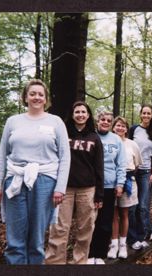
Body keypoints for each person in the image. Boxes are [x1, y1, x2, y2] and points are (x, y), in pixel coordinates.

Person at [0, 79, 71, 264]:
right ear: (25, 97)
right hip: (15, 180)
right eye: (32, 94)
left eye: (40, 94)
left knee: (36, 239)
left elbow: (65, 158)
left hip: (45, 181)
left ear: (46, 99)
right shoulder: (13, 121)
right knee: (15, 239)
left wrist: (60, 187)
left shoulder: (56, 122)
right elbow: (2, 154)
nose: (37, 97)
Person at [45, 101, 104, 265]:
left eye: (83, 112)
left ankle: (79, 263)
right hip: (64, 189)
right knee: (59, 228)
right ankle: (55, 263)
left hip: (87, 190)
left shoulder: (94, 138)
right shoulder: (63, 135)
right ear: (72, 115)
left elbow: (99, 167)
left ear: (88, 115)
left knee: (85, 230)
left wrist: (100, 195)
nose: (80, 114)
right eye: (77, 112)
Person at [88, 110, 127, 264]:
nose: (105, 122)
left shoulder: (116, 140)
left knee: (105, 222)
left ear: (111, 124)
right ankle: (89, 254)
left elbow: (121, 164)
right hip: (91, 185)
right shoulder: (91, 136)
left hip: (110, 186)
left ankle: (100, 254)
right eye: (102, 119)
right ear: (97, 121)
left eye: (108, 121)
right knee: (90, 221)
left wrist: (120, 183)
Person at [107, 116, 142, 259]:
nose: (120, 128)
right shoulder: (107, 142)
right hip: (110, 181)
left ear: (126, 129)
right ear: (113, 127)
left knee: (125, 214)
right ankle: (113, 244)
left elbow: (138, 164)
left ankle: (123, 244)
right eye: (117, 125)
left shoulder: (132, 144)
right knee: (113, 214)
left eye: (123, 126)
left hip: (128, 180)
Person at [127, 104, 152, 250]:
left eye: (149, 113)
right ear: (140, 114)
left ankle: (142, 235)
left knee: (143, 206)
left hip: (146, 172)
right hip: (133, 170)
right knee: (132, 206)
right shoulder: (134, 129)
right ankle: (131, 237)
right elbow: (126, 146)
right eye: (144, 113)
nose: (146, 115)